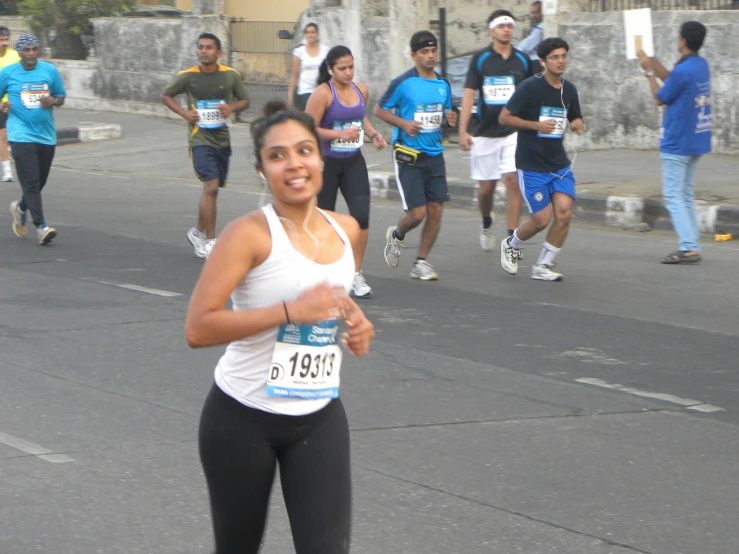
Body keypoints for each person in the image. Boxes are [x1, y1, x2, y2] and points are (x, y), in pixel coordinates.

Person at [185, 99, 374, 554]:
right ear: (261, 169)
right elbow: (198, 328)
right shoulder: (248, 234)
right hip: (241, 419)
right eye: (278, 155)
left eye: (305, 150)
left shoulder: (347, 228)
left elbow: (331, 295)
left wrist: (355, 318)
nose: (294, 164)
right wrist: (290, 312)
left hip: (320, 414)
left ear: (320, 158)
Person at [374, 30, 457, 281]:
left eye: (433, 51)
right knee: (417, 213)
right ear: (413, 55)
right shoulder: (403, 83)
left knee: (436, 210)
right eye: (424, 52)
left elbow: (445, 113)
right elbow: (380, 110)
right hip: (409, 154)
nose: (430, 56)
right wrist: (403, 123)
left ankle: (421, 261)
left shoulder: (443, 84)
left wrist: (450, 118)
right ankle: (397, 235)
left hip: (435, 155)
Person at [498, 37, 584, 281]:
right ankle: (512, 243)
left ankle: (543, 265)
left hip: (559, 164)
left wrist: (577, 124)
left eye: (564, 56)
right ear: (543, 61)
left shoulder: (570, 90)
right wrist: (534, 124)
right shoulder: (529, 88)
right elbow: (505, 118)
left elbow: (575, 117)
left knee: (565, 213)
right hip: (532, 163)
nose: (561, 61)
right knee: (541, 219)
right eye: (555, 57)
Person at [306, 45, 387, 298]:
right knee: (325, 222)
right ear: (330, 69)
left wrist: (373, 134)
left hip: (353, 160)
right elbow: (308, 127)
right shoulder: (322, 93)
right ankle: (322, 273)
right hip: (327, 164)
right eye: (342, 68)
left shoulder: (360, 89)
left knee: (361, 218)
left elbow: (359, 116)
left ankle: (354, 274)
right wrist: (338, 134)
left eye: (351, 67)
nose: (348, 72)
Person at [161, 32, 250, 259]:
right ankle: (211, 240)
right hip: (199, 139)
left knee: (212, 190)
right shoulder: (187, 76)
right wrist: (184, 113)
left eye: (209, 47)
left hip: (222, 139)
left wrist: (231, 108)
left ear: (218, 53)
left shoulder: (230, 76)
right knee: (210, 187)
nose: (204, 51)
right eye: (200, 47)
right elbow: (166, 95)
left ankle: (197, 232)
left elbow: (245, 101)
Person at [459, 10, 533, 252]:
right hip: (485, 133)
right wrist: (462, 131)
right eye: (501, 26)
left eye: (510, 25)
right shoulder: (480, 59)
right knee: (486, 189)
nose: (506, 29)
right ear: (492, 31)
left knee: (513, 181)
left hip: (513, 132)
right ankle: (486, 221)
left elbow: (533, 95)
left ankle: (511, 242)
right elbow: (469, 95)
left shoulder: (523, 60)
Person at [637, 21, 710, 264]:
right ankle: (692, 243)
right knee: (685, 192)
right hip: (696, 138)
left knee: (672, 195)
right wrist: (653, 61)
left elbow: (661, 97)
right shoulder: (700, 65)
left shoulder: (685, 70)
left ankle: (688, 246)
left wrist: (649, 72)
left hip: (678, 139)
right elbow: (673, 80)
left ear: (682, 42)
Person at [1, 34, 65, 245]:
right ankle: (41, 227)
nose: (30, 53)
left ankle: (20, 207)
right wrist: (3, 107)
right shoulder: (8, 73)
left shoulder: (49, 71)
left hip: (46, 135)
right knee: (32, 182)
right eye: (26, 50)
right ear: (19, 52)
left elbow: (61, 97)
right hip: (20, 135)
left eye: (34, 49)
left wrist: (53, 100)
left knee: (39, 182)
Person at [288, 23, 329, 111]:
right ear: (305, 35)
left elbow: (330, 71)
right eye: (307, 32)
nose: (310, 35)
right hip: (305, 90)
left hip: (321, 89)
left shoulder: (325, 50)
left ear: (317, 34)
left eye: (312, 32)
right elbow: (295, 74)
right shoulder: (299, 51)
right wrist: (291, 94)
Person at [0, 26, 20, 182]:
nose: (4, 43)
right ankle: (7, 170)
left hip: (13, 103)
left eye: (6, 39)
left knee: (13, 136)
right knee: (3, 134)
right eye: (1, 40)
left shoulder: (14, 56)